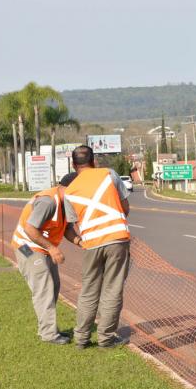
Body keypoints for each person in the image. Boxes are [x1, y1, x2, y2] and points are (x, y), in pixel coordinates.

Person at [63, 145, 131, 349]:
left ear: (74, 165)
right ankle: (106, 338)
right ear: (94, 161)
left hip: (91, 244)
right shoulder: (109, 174)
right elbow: (125, 207)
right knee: (112, 289)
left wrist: (81, 240)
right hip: (116, 239)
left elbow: (70, 224)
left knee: (89, 291)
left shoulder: (70, 190)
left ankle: (82, 338)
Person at [12, 172, 79, 345]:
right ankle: (49, 334)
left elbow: (67, 229)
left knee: (54, 285)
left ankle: (48, 328)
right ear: (70, 188)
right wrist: (52, 248)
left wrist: (80, 241)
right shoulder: (48, 201)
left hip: (42, 247)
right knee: (44, 287)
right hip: (26, 247)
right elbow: (30, 229)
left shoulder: (66, 203)